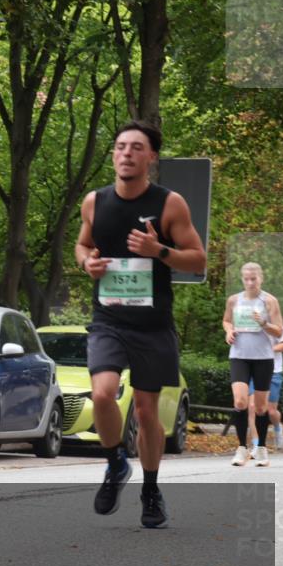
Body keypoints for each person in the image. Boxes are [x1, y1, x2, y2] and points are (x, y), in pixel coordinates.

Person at [74, 120, 206, 529]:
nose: (126, 153)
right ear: (113, 155)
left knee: (148, 413)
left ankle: (151, 489)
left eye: (136, 147)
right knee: (102, 394)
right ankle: (116, 462)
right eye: (120, 146)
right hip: (109, 319)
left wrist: (158, 249)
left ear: (151, 157)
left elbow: (197, 259)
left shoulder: (170, 204)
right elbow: (82, 245)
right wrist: (87, 263)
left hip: (152, 325)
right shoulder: (95, 202)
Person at [222, 263, 283, 467]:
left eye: (253, 279)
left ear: (261, 278)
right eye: (246, 279)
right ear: (242, 279)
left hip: (263, 358)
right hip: (239, 356)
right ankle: (241, 448)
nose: (250, 282)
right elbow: (226, 321)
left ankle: (261, 449)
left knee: (260, 407)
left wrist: (264, 324)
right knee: (240, 402)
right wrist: (229, 331)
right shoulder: (234, 300)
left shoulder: (269, 301)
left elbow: (279, 331)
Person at [246, 325, 283, 452]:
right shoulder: (247, 325)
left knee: (271, 411)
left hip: (273, 372)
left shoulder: (275, 326)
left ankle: (277, 428)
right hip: (253, 371)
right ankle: (257, 445)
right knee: (252, 407)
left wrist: (269, 350)